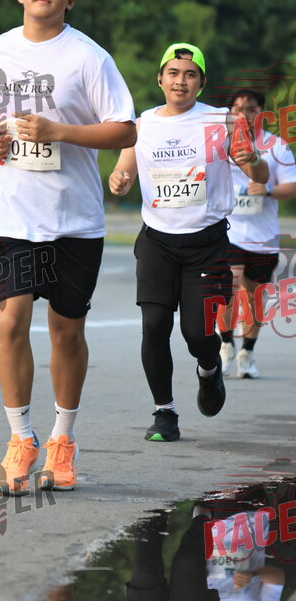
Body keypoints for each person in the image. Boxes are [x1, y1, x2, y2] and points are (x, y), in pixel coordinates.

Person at [0, 0, 136, 493]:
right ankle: (21, 438)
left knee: (66, 331)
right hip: (10, 213)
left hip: (73, 218)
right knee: (11, 322)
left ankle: (63, 440)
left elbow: (125, 130)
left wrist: (58, 131)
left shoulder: (89, 57)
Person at [109, 44, 269, 442]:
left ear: (201, 82)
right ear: (160, 79)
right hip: (157, 242)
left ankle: (209, 371)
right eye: (174, 73)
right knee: (154, 326)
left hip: (207, 244)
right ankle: (164, 412)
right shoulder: (142, 124)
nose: (181, 81)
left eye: (190, 74)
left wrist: (251, 159)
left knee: (198, 334)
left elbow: (261, 174)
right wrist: (119, 180)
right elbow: (123, 171)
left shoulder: (222, 121)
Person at [221, 89, 296, 379]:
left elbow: (291, 186)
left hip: (262, 237)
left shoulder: (276, 146)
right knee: (228, 288)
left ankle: (247, 352)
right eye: (237, 109)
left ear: (261, 113)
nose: (244, 115)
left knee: (254, 297)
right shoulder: (218, 144)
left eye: (251, 109)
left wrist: (268, 189)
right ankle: (226, 344)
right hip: (227, 233)